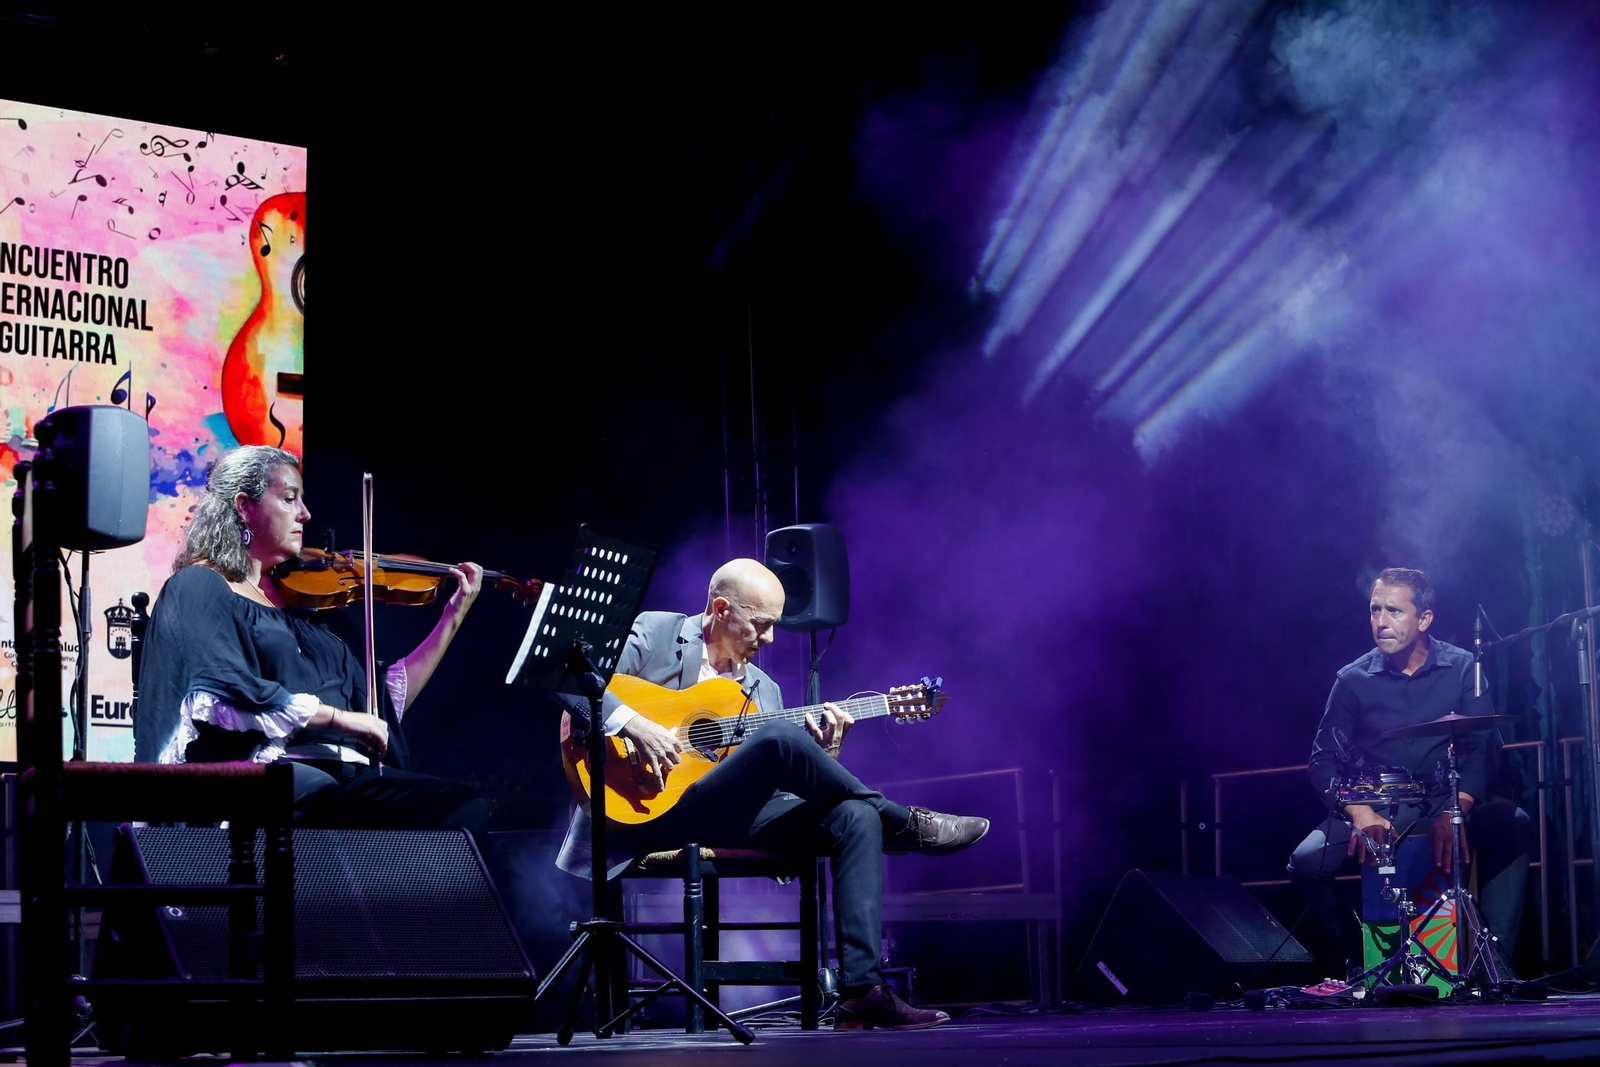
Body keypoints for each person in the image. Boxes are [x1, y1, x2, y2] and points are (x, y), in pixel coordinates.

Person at [556, 557, 990, 1031]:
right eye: (760, 625)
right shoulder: (657, 631)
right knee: (779, 738)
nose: (768, 640)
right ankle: (904, 822)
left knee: (852, 816)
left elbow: (781, 789)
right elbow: (573, 686)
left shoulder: (763, 689)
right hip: (645, 808)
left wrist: (826, 751)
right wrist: (636, 724)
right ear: (721, 609)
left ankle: (863, 992)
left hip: (727, 816)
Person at [135, 445, 489, 834]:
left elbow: (379, 701)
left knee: (462, 810)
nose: (305, 513)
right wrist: (342, 720)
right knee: (320, 797)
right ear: (243, 506)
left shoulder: (313, 609)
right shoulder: (202, 585)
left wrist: (452, 617)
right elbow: (223, 689)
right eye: (289, 499)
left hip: (344, 771)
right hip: (267, 769)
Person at [1288, 567, 1533, 982]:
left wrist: (1457, 810)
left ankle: (1496, 966)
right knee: (1306, 861)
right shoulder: (1351, 680)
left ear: (1424, 619)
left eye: (1394, 611)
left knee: (1514, 824)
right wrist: (1358, 811)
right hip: (1381, 804)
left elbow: (1481, 750)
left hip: (1445, 797)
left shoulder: (1462, 668)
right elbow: (1322, 761)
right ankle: (1350, 966)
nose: (1381, 622)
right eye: (1374, 610)